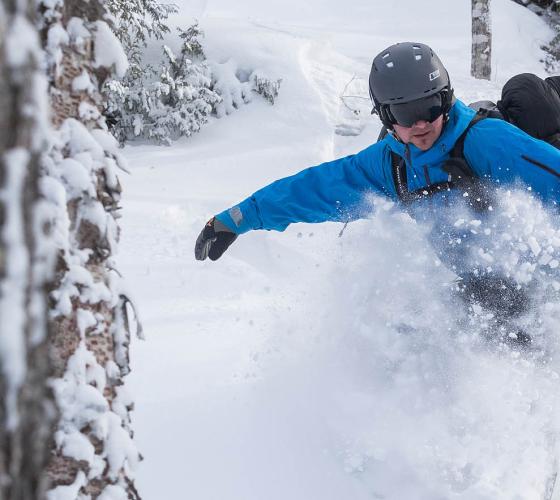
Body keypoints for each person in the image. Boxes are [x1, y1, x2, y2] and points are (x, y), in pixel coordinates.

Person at [195, 42, 560, 340]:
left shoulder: (485, 141)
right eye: (405, 112)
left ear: (446, 99)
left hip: (540, 288)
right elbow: (314, 188)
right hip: (480, 289)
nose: (420, 123)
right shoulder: (390, 165)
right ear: (386, 117)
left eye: (430, 106)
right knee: (408, 331)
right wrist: (236, 219)